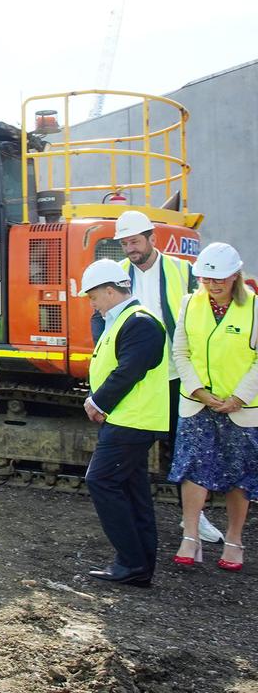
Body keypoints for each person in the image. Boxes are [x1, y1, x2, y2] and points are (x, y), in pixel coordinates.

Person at [114, 209, 223, 543]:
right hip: (139, 380)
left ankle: (194, 518)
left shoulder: (182, 271)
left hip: (176, 377)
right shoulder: (117, 275)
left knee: (186, 448)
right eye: (125, 243)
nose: (131, 248)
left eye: (135, 241)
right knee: (131, 449)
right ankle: (131, 516)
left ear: (151, 238)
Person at [170, 242, 258, 571]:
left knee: (240, 474)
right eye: (206, 279)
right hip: (198, 404)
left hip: (242, 408)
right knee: (193, 468)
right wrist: (199, 391)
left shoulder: (255, 308)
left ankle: (234, 540)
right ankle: (190, 535)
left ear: (236, 276)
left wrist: (238, 397)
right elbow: (181, 352)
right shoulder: (189, 304)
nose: (212, 285)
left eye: (219, 279)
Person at [81, 258, 168, 586]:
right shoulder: (122, 320)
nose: (91, 303)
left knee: (101, 481)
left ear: (109, 290)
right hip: (128, 419)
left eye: (93, 296)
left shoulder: (139, 322)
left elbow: (128, 370)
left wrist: (98, 401)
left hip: (132, 419)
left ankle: (131, 562)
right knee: (134, 491)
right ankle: (139, 566)